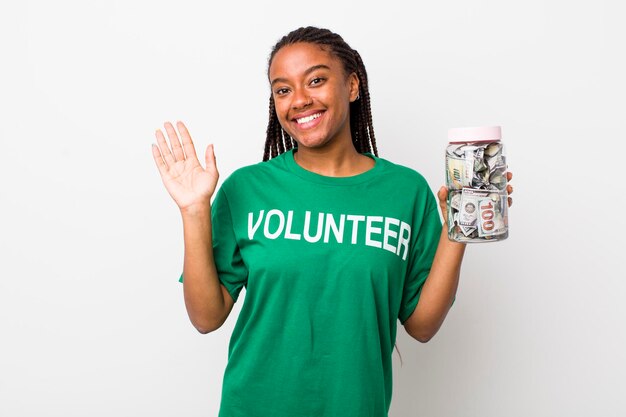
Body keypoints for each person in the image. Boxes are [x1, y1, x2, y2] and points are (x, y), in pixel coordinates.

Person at [151, 26, 513, 417]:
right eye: (283, 89)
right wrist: (193, 211)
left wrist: (459, 230)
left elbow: (422, 325)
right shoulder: (247, 189)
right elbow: (206, 317)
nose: (299, 100)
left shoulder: (405, 191)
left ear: (353, 85)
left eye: (316, 80)